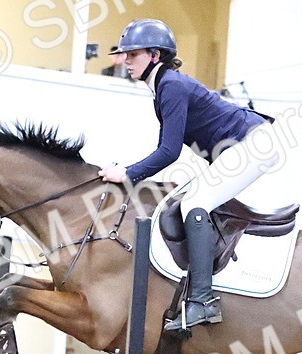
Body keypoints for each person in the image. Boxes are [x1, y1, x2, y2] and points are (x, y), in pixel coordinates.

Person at [98, 18, 279, 332]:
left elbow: (169, 151)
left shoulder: (171, 86)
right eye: (126, 55)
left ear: (155, 55)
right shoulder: (164, 87)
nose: (125, 60)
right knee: (187, 198)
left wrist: (127, 173)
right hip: (241, 147)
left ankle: (202, 300)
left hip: (254, 144)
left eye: (133, 54)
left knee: (193, 203)